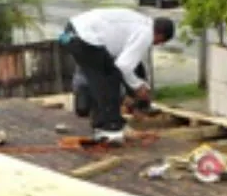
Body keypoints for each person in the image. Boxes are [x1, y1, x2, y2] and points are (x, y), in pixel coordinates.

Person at [59, 8, 175, 143]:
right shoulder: (146, 33)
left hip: (73, 32)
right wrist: (138, 86)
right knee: (110, 78)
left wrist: (135, 89)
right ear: (160, 36)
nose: (156, 44)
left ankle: (102, 124)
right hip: (85, 38)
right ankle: (111, 128)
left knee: (100, 79)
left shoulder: (139, 24)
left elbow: (131, 65)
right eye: (159, 42)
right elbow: (124, 66)